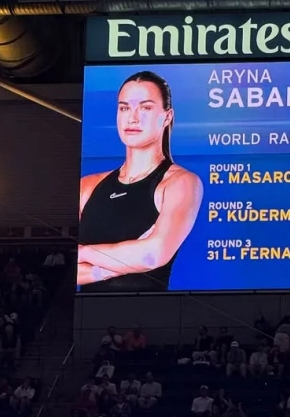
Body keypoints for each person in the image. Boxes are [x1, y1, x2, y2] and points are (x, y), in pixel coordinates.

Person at [78, 71, 203, 291]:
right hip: (86, 310)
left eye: (145, 108)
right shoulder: (87, 187)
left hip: (148, 310)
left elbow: (152, 255)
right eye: (124, 108)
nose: (132, 118)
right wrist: (107, 270)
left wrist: (85, 253)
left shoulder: (180, 183)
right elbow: (69, 268)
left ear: (167, 117)